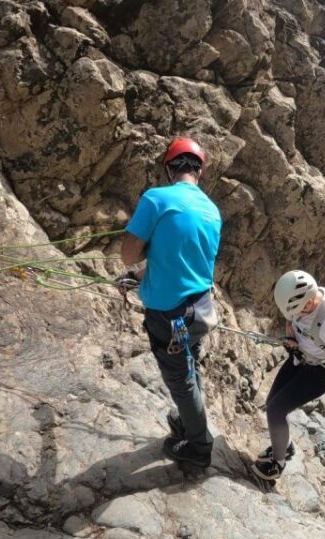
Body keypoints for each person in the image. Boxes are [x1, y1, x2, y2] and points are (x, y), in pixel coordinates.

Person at [117, 137, 222, 468]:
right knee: (191, 366)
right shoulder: (212, 211)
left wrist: (138, 263)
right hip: (200, 307)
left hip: (169, 312)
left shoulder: (156, 199)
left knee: (180, 378)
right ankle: (191, 420)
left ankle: (199, 445)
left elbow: (128, 254)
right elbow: (184, 260)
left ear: (168, 168)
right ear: (200, 171)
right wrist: (144, 273)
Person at [252, 270, 325, 480]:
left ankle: (277, 464)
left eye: (297, 312)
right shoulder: (300, 304)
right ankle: (284, 446)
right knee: (273, 403)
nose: (293, 316)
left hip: (323, 370)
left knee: (276, 410)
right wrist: (293, 340)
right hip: (302, 356)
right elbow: (292, 321)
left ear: (308, 304)